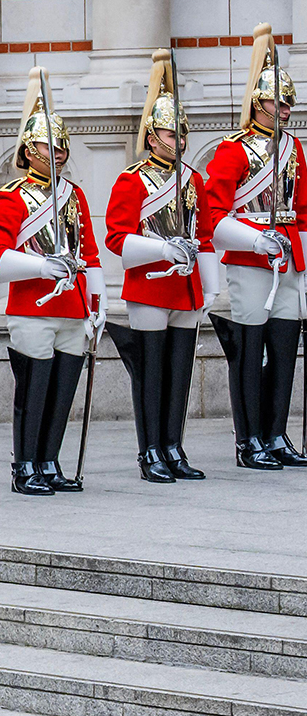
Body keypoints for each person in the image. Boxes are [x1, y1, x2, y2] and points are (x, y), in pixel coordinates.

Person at [0, 71, 103, 496]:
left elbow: (88, 252)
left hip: (71, 307)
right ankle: (25, 465)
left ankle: (49, 460)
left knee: (62, 388)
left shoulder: (75, 195)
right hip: (32, 305)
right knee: (34, 387)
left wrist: (97, 303)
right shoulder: (13, 196)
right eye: (47, 147)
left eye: (60, 146)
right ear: (28, 151)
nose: (55, 153)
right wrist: (40, 268)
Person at [200, 23, 306, 470]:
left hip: (288, 260)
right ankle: (250, 441)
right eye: (273, 101)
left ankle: (277, 433)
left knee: (284, 349)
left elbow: (302, 211)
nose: (281, 109)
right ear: (256, 103)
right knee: (249, 348)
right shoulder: (232, 150)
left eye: (286, 102)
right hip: (250, 258)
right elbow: (213, 217)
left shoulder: (295, 149)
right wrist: (256, 238)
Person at [107, 51, 210, 483]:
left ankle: (173, 445)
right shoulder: (133, 179)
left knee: (179, 373)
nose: (179, 140)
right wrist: (162, 250)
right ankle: (149, 450)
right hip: (150, 285)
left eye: (181, 132)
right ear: (152, 137)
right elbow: (117, 237)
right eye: (170, 133)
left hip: (185, 288)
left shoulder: (193, 179)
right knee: (150, 373)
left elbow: (202, 234)